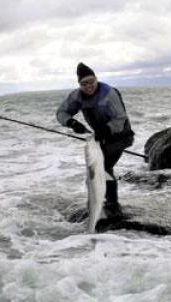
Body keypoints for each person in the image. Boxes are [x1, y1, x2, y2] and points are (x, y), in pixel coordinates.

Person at [56, 62, 134, 218]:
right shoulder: (76, 96)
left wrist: (105, 130)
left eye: (91, 81)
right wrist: (71, 123)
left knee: (104, 168)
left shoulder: (108, 93)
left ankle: (112, 205)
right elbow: (61, 112)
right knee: (94, 170)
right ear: (79, 84)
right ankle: (96, 203)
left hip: (120, 136)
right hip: (100, 138)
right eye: (84, 83)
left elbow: (120, 118)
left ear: (96, 79)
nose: (89, 86)